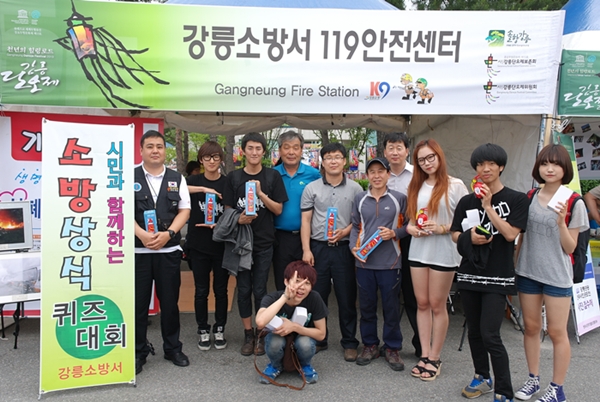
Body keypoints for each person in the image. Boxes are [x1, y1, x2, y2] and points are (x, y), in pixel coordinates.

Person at [451, 144, 529, 402]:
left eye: (491, 164)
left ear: (501, 167)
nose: (485, 169)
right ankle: (482, 376)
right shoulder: (466, 201)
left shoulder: (517, 199)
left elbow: (510, 234)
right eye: (480, 165)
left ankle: (504, 390)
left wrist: (488, 207)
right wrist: (469, 238)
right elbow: (454, 234)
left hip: (498, 276)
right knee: (474, 331)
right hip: (469, 274)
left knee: (490, 334)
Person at [514, 144, 588, 402]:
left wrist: (561, 223)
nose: (550, 168)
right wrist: (516, 265)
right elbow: (522, 236)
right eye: (545, 163)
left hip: (557, 275)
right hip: (528, 271)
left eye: (555, 164)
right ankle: (533, 379)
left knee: (557, 332)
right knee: (531, 328)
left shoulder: (573, 201)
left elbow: (570, 247)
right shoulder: (530, 196)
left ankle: (557, 388)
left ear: (565, 168)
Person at [405, 138, 468, 381]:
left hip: (444, 251)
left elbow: (465, 222)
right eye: (421, 159)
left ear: (439, 156)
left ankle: (435, 357)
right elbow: (411, 221)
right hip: (418, 250)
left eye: (430, 157)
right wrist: (412, 229)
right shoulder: (416, 185)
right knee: (422, 303)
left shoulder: (455, 185)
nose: (427, 163)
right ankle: (424, 354)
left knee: (437, 304)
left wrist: (441, 228)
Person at [223, 132, 288, 356]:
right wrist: (238, 219)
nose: (254, 152)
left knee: (260, 289)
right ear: (243, 151)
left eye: (258, 148)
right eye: (250, 148)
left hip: (264, 242)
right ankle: (247, 333)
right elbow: (227, 210)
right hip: (241, 243)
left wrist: (260, 193)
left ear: (264, 152)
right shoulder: (233, 178)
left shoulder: (272, 176)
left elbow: (278, 209)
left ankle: (261, 332)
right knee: (243, 290)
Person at [133, 130, 191, 374]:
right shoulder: (129, 176)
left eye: (159, 146)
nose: (155, 150)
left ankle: (172, 348)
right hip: (138, 251)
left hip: (168, 251)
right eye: (150, 146)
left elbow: (184, 210)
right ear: (141, 150)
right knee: (138, 305)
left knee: (169, 303)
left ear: (165, 151)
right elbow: (119, 209)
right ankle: (138, 352)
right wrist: (141, 234)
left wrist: (169, 234)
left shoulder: (177, 178)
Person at [300, 142, 362, 362]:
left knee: (347, 297)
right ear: (322, 162)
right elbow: (306, 220)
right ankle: (319, 339)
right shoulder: (311, 188)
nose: (333, 161)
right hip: (318, 248)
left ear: (344, 161)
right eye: (328, 157)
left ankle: (349, 342)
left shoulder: (356, 189)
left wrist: (345, 231)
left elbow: (360, 221)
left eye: (337, 157)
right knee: (318, 295)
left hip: (344, 249)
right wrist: (306, 250)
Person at [349, 157, 408, 371]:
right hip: (364, 263)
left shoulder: (399, 198)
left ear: (388, 174)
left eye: (381, 171)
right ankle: (370, 345)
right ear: (367, 176)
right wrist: (353, 248)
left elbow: (409, 225)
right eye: (372, 172)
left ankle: (392, 347)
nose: (376, 175)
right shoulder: (360, 199)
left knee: (391, 307)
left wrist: (395, 233)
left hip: (390, 262)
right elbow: (355, 226)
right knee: (366, 307)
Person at [186, 141, 229, 351]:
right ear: (201, 160)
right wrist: (204, 188)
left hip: (221, 245)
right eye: (207, 157)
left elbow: (231, 209)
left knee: (221, 290)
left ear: (221, 160)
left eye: (215, 157)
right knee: (201, 290)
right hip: (198, 245)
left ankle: (220, 328)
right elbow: (174, 188)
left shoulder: (227, 183)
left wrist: (219, 225)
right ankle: (203, 329)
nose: (211, 161)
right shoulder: (193, 180)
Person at [255, 261, 328, 384]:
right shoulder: (273, 298)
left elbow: (321, 334)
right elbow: (260, 322)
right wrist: (285, 297)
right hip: (278, 336)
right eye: (297, 281)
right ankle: (275, 365)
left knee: (305, 343)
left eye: (307, 283)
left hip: (303, 337)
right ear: (286, 281)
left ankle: (305, 365)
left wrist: (294, 327)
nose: (302, 287)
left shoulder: (314, 298)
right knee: (274, 342)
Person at [383, 131, 421, 358]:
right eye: (391, 147)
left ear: (407, 151)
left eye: (399, 147)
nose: (395, 152)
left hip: (412, 239)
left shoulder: (418, 174)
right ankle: (390, 344)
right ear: (385, 151)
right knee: (390, 294)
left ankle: (421, 345)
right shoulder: (381, 175)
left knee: (412, 294)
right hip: (387, 240)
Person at [272, 130, 321, 291]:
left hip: (307, 238)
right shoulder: (272, 174)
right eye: (286, 147)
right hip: (280, 238)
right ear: (280, 151)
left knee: (305, 283)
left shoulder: (313, 174)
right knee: (283, 283)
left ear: (301, 150)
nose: (291, 152)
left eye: (295, 147)